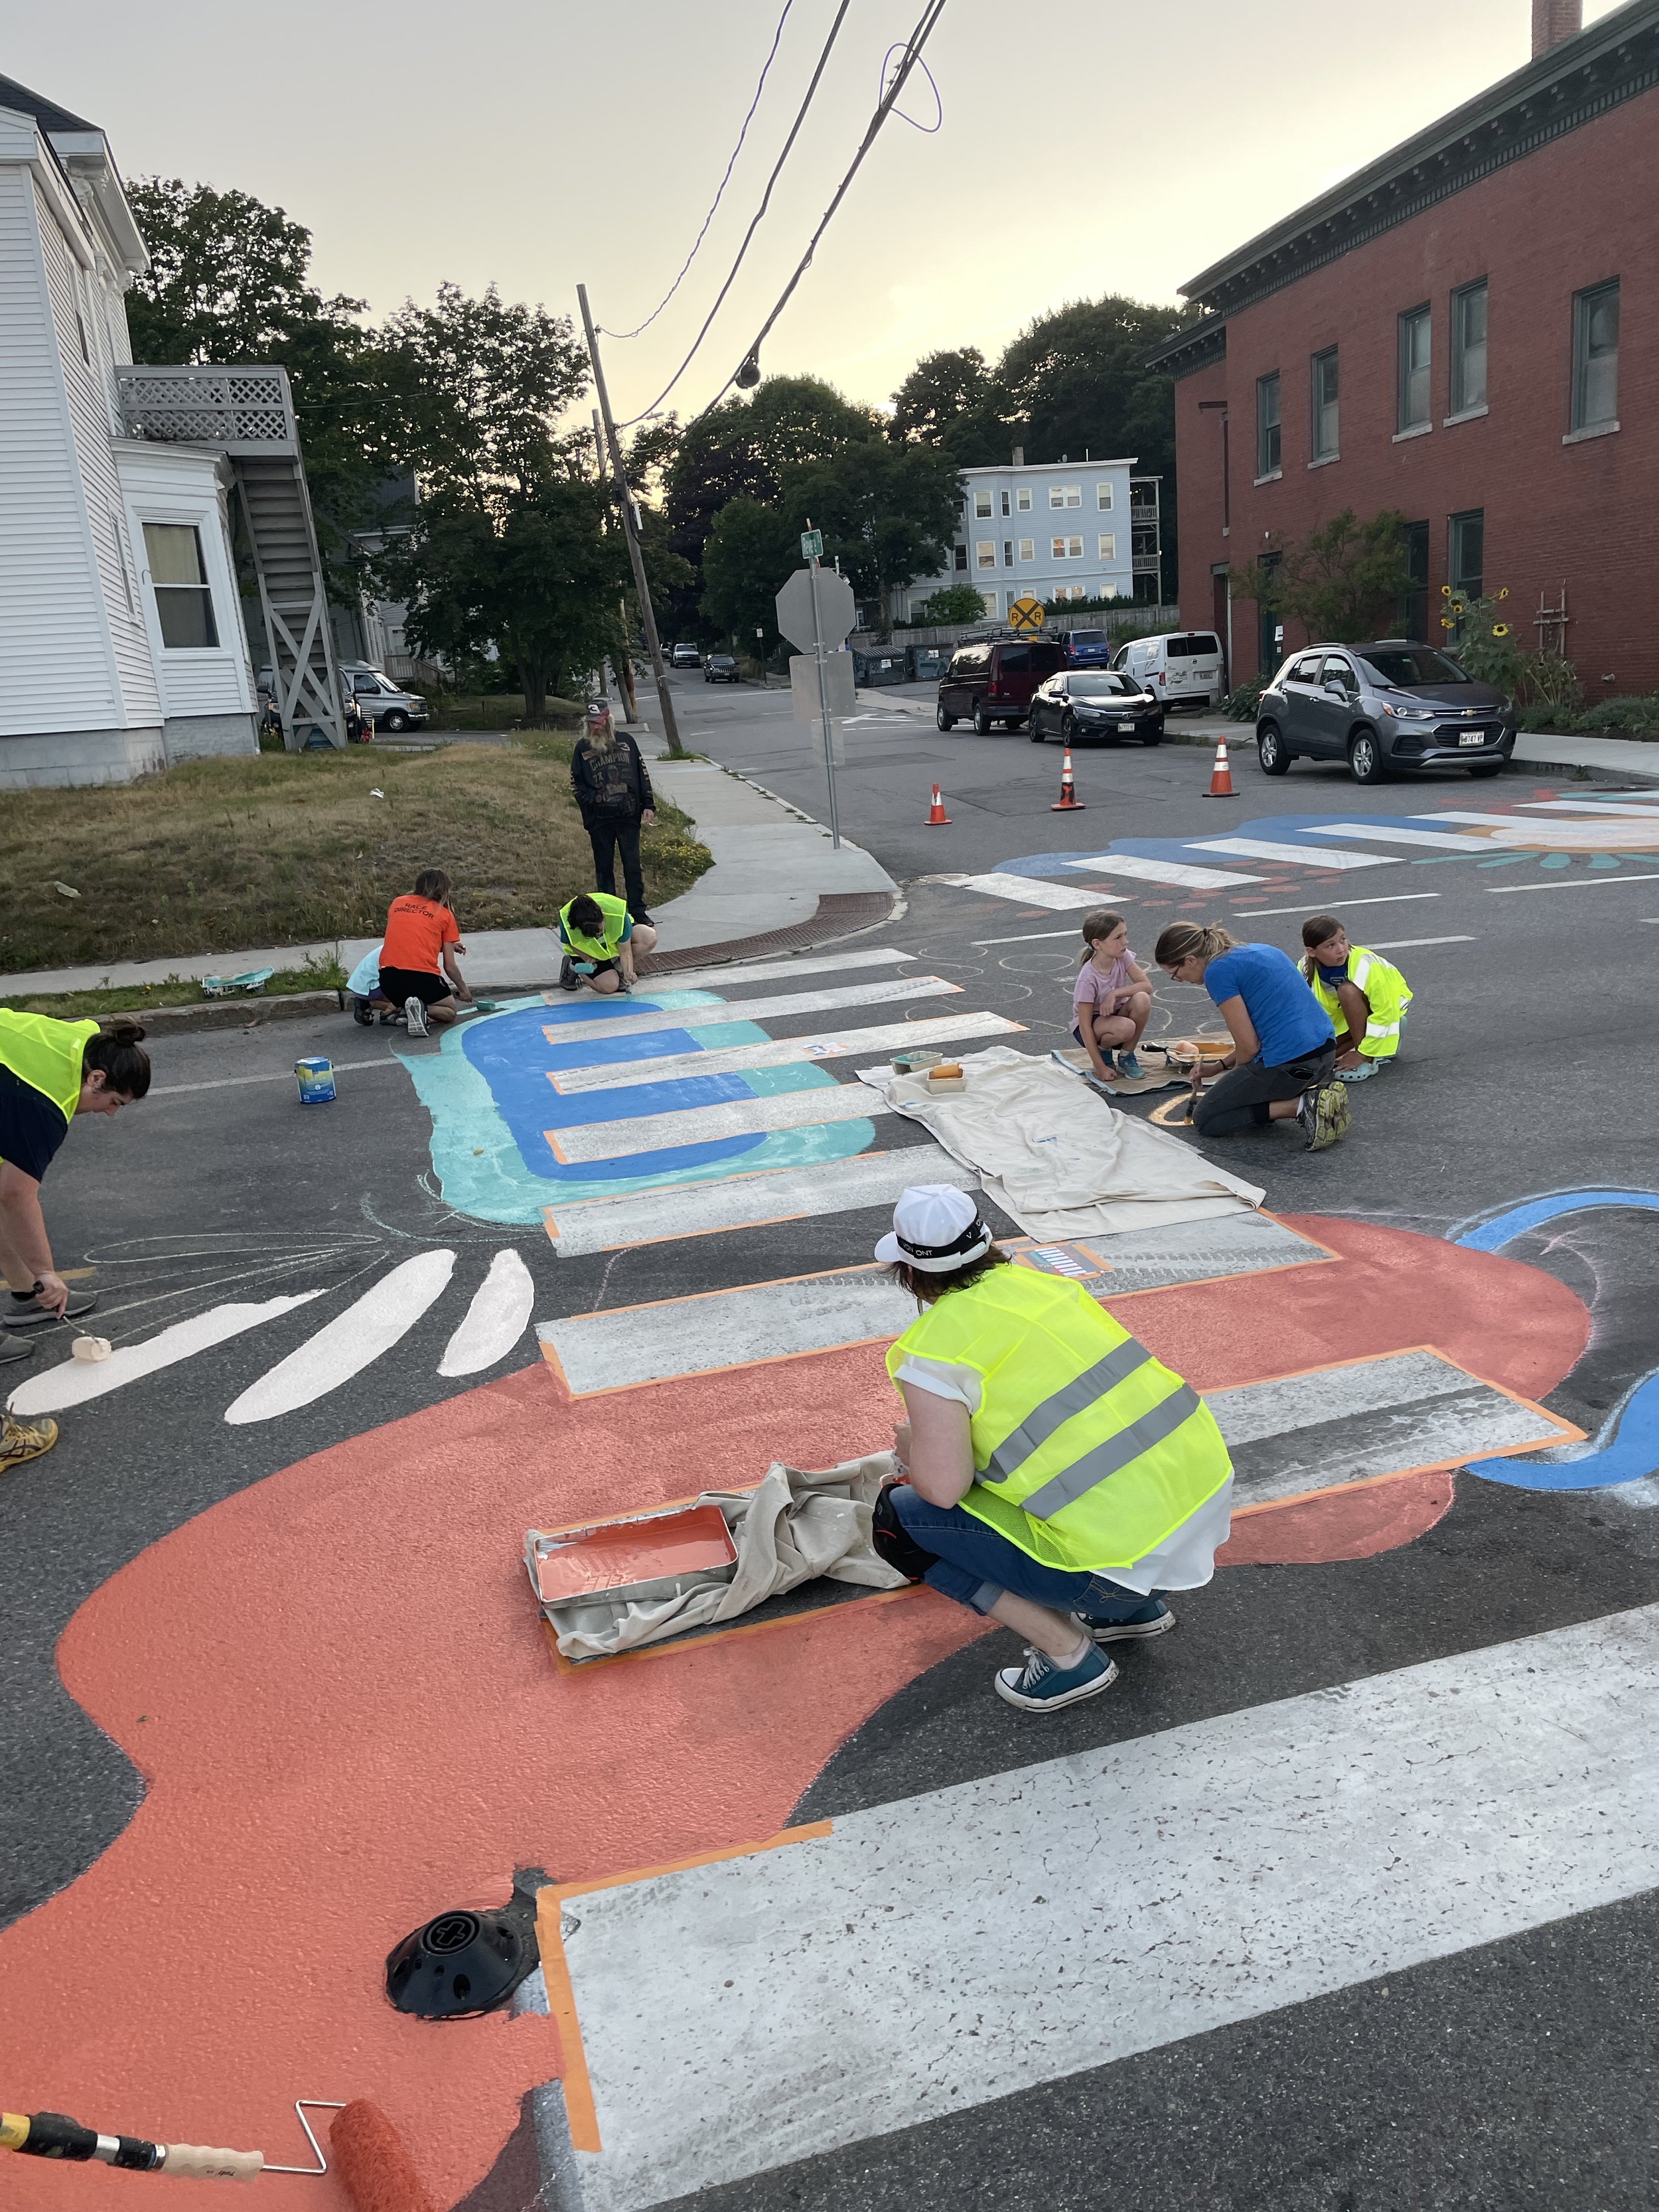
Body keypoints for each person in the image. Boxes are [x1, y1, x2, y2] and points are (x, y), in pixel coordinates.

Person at [874, 1184, 1234, 1713]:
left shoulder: (934, 1347)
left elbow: (943, 1489)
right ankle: (1131, 1612)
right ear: (987, 1242)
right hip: (1198, 1512)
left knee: (898, 1522)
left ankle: (1069, 1655)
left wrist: (911, 1445)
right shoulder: (1050, 1289)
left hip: (1112, 1565)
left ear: (909, 1271)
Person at [1, 1013, 151, 1468]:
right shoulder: (46, 1100)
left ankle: (25, 1298)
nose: (109, 1113)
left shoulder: (83, 1038)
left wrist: (31, 1283)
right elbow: (17, 1193)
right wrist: (48, 1271)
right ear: (97, 1078)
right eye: (114, 1103)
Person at [1154, 921, 1348, 1151]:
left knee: (1207, 1119)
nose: (1181, 979)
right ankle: (1317, 1100)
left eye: (1175, 974)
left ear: (1190, 960)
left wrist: (1237, 1083)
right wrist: (1218, 1067)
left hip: (1293, 1063)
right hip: (1324, 1054)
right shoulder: (1257, 950)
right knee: (1245, 1099)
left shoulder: (1216, 971)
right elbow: (1264, 1031)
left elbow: (1248, 1045)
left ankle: (1303, 1105)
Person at [1299, 915, 1413, 1082]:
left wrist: (1362, 1053)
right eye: (1330, 945)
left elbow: (1385, 1010)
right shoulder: (1304, 968)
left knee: (1347, 990)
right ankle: (1390, 1034)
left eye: (1343, 940)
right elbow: (1303, 1013)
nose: (1341, 949)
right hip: (1349, 1016)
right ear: (1312, 952)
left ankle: (1369, 1059)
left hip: (1388, 1008)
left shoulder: (1365, 964)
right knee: (1317, 1061)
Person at [571, 700, 656, 923]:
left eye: (598, 723)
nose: (595, 728)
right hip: (599, 820)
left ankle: (638, 912)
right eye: (591, 723)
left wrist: (648, 804)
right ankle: (612, 915)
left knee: (632, 866)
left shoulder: (627, 742)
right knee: (604, 869)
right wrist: (594, 801)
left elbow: (641, 773)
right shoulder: (582, 748)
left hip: (628, 815)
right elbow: (576, 784)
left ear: (608, 720)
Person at [378, 868, 471, 1039]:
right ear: (444, 890)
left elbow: (412, 934)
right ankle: (421, 1010)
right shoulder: (444, 914)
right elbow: (449, 967)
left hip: (388, 977)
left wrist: (445, 945)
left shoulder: (397, 903)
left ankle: (410, 1011)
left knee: (407, 997)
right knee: (449, 1012)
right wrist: (463, 990)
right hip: (422, 977)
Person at [1072, 909, 1152, 1083]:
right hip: (1091, 1027)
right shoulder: (1088, 978)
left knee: (1142, 999)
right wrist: (1100, 1067)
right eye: (1118, 938)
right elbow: (1084, 1026)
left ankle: (1126, 1056)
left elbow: (1147, 986)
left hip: (1114, 1017)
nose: (1125, 942)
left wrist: (1114, 994)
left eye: (1125, 935)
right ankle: (1103, 1052)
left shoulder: (1122, 957)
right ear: (1097, 944)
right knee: (1126, 1027)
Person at [556, 891, 657, 995]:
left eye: (599, 930)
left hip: (610, 946)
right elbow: (571, 943)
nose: (597, 935)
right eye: (591, 934)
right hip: (588, 952)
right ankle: (573, 966)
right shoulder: (567, 921)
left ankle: (618, 972)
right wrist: (586, 958)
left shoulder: (618, 914)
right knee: (609, 986)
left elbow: (626, 951)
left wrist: (628, 972)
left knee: (649, 937)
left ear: (602, 916)